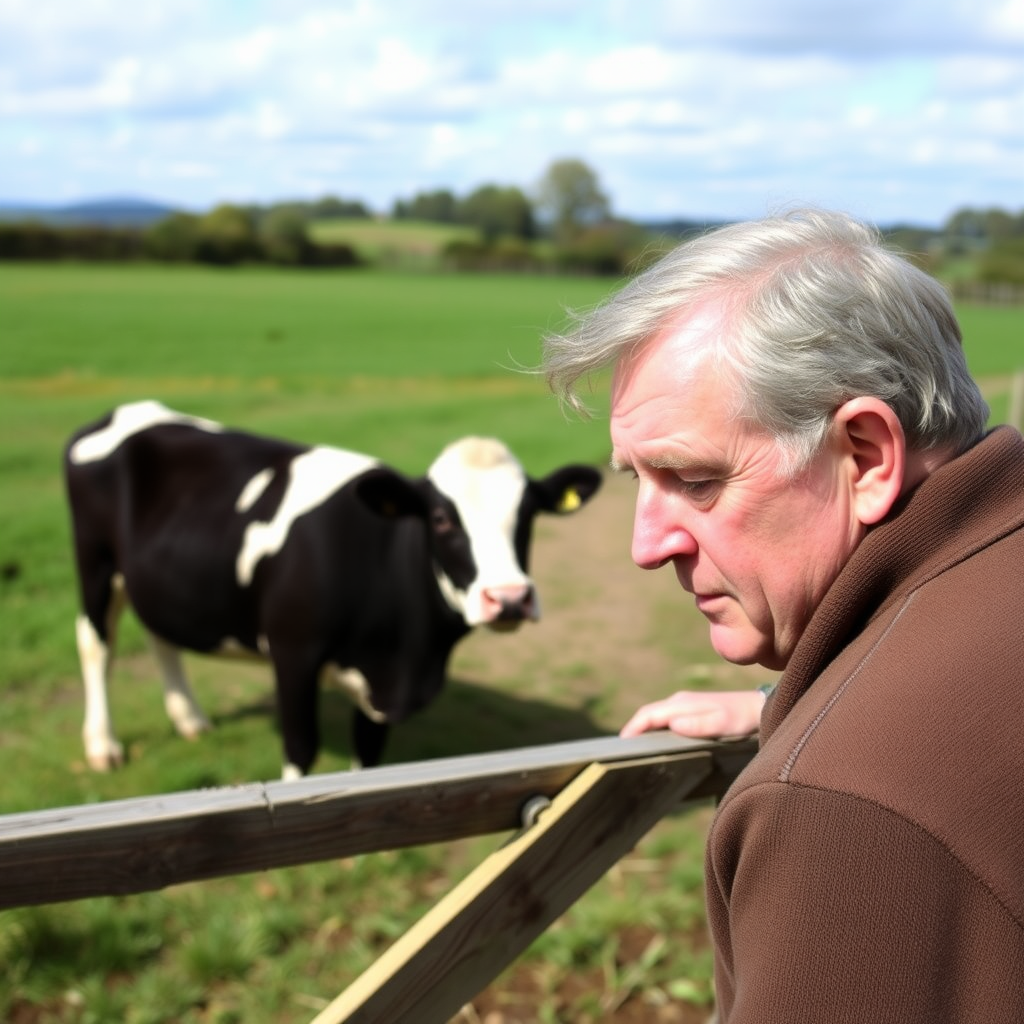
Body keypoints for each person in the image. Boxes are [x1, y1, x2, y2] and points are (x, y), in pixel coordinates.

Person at [542, 207, 1024, 1023]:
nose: (646, 547)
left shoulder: (844, 812)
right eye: (636, 480)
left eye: (693, 480)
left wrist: (836, 742)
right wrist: (793, 705)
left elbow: (894, 785)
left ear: (866, 457)